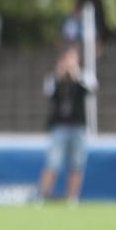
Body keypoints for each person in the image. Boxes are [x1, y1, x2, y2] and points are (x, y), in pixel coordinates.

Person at [38, 46, 97, 205]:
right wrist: (60, 74)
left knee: (77, 165)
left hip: (78, 127)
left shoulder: (84, 76)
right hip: (59, 128)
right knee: (53, 163)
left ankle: (72, 198)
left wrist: (76, 74)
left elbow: (92, 89)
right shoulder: (54, 77)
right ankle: (43, 195)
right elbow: (47, 92)